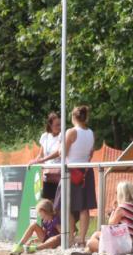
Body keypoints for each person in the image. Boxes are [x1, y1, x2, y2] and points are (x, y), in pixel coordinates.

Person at [37, 105, 96, 246]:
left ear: (73, 117)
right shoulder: (91, 133)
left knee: (63, 205)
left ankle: (70, 237)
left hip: (71, 171)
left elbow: (62, 152)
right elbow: (91, 153)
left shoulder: (71, 131)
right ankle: (81, 239)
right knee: (84, 207)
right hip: (86, 171)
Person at [70, 181, 133, 255]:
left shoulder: (122, 208)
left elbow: (110, 224)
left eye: (116, 192)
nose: (115, 195)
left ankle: (89, 252)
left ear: (121, 193)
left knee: (90, 243)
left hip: (124, 245)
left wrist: (114, 209)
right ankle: (87, 252)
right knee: (96, 234)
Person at [34, 112, 62, 201]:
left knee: (58, 203)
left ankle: (58, 215)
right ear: (50, 125)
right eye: (56, 125)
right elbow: (41, 154)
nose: (59, 127)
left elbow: (59, 152)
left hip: (59, 174)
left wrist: (43, 159)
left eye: (60, 124)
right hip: (48, 175)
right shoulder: (45, 136)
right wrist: (35, 161)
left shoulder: (62, 135)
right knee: (47, 202)